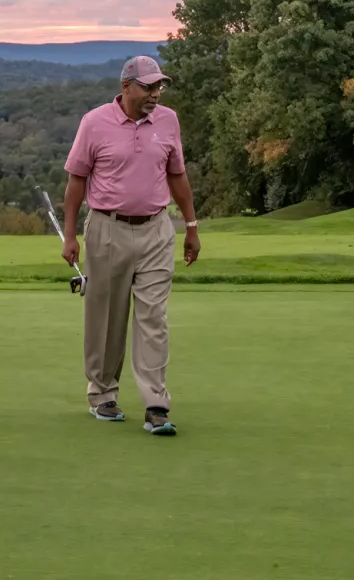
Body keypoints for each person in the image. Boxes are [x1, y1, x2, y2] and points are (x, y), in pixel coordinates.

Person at [60, 55, 200, 436]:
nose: (156, 93)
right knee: (107, 316)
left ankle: (156, 404)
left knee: (153, 318)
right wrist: (70, 235)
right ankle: (102, 393)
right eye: (148, 86)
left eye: (159, 87)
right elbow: (76, 183)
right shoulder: (95, 123)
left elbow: (178, 176)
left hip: (156, 229)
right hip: (107, 228)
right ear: (126, 87)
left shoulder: (168, 121)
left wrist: (191, 226)